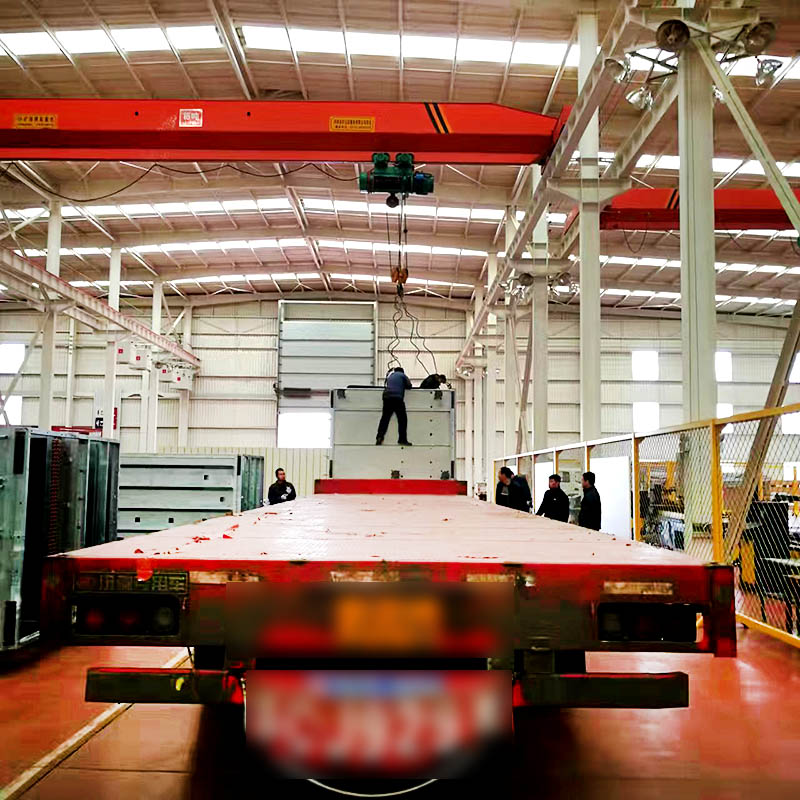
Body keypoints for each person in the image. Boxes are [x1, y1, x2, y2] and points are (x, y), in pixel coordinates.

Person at [376, 366, 413, 446]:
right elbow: (409, 386)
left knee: (385, 418)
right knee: (402, 419)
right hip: (397, 398)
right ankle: (402, 439)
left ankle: (379, 437)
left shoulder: (390, 376)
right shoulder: (403, 375)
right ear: (402, 371)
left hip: (386, 397)